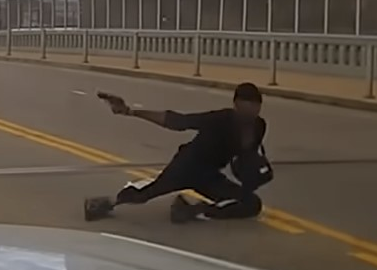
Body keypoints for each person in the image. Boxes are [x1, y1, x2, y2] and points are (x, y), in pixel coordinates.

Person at [83, 83, 272, 224]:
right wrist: (130, 112)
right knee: (145, 193)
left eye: (254, 110)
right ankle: (105, 203)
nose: (250, 116)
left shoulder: (259, 126)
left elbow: (247, 158)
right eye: (245, 111)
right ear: (236, 105)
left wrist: (252, 176)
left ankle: (193, 209)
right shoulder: (220, 119)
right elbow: (178, 121)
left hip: (210, 176)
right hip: (186, 166)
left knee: (251, 204)